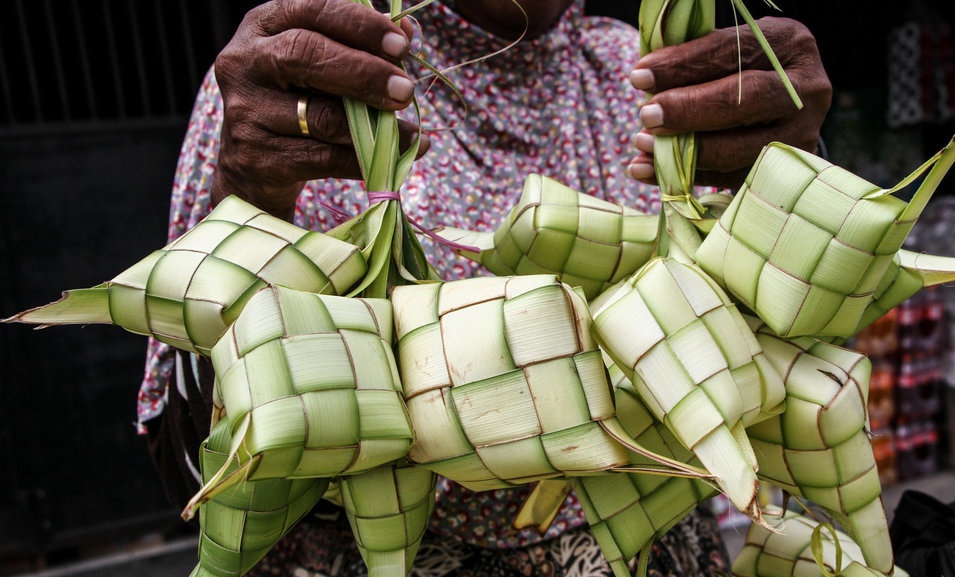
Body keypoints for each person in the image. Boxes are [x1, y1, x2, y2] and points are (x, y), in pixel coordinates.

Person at [140, 1, 832, 575]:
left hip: (659, 549)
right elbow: (190, 458)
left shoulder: (650, 73)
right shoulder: (304, 75)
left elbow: (789, 357)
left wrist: (796, 187)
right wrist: (251, 196)